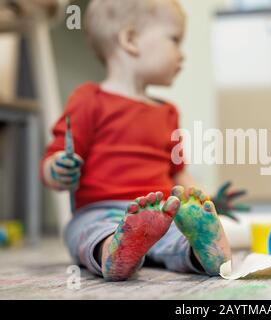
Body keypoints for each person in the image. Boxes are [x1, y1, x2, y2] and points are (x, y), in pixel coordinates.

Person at [40, 0, 238, 281]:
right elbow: (55, 156)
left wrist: (206, 203)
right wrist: (57, 168)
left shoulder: (169, 113)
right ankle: (117, 250)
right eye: (175, 40)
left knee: (178, 236)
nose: (182, 55)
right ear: (130, 40)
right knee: (85, 233)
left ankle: (204, 250)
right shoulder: (88, 100)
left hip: (163, 213)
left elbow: (178, 173)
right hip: (98, 212)